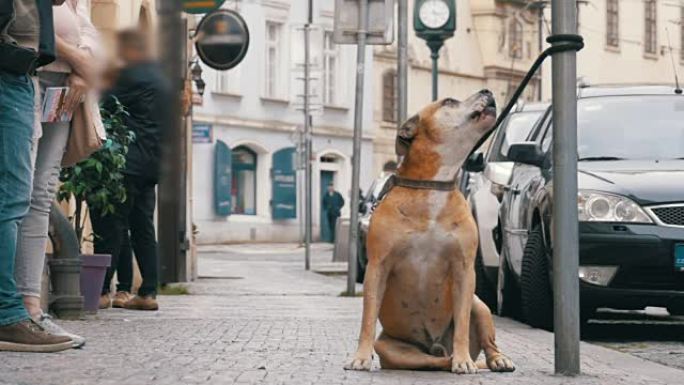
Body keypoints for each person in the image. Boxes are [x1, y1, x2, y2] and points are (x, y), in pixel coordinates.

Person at [13, 0, 100, 349]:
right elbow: (30, 25)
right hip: (28, 75)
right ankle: (14, 305)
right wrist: (75, 56)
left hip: (65, 89)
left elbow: (89, 29)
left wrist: (81, 68)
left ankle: (30, 303)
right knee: (16, 190)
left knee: (42, 190)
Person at [0, 0, 74, 353]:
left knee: (35, 192)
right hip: (13, 68)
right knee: (14, 196)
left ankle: (22, 309)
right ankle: (10, 313)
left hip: (37, 79)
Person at [93, 28, 170, 311]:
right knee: (143, 228)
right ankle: (148, 292)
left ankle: (102, 290)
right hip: (151, 165)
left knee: (112, 227)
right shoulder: (161, 80)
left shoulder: (132, 76)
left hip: (127, 162)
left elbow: (102, 101)